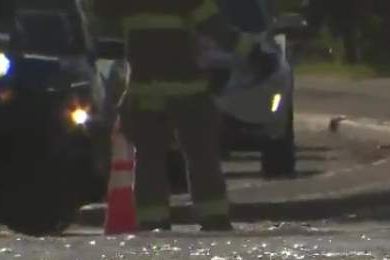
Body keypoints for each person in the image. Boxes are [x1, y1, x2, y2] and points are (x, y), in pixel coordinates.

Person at [92, 0, 278, 231]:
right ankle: (214, 216)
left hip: (145, 90)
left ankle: (152, 220)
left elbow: (99, 14)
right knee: (202, 155)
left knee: (149, 158)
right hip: (188, 91)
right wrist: (255, 54)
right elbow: (220, 31)